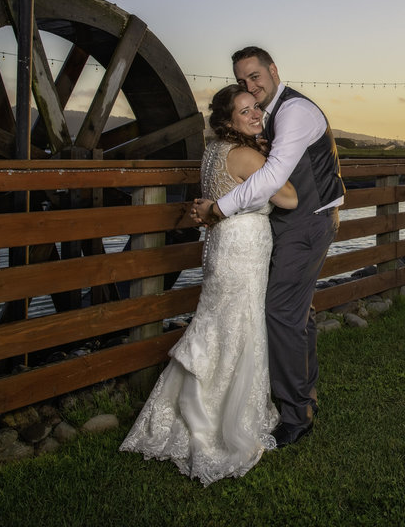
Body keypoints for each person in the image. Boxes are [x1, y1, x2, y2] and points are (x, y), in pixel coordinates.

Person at [120, 84, 297, 485]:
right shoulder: (248, 155)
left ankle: (187, 410)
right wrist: (271, 160)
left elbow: (217, 196)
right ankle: (225, 422)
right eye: (244, 111)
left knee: (215, 324)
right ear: (228, 120)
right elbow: (289, 199)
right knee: (239, 328)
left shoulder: (214, 151)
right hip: (244, 250)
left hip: (221, 246)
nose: (255, 114)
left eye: (256, 107)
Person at [196, 46, 344, 448]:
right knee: (297, 311)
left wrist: (218, 209)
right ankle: (305, 396)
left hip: (307, 222)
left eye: (256, 77)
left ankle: (296, 414)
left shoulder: (294, 111)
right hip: (288, 222)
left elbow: (275, 174)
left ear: (273, 70)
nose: (251, 87)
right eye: (243, 81)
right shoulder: (268, 115)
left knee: (280, 310)